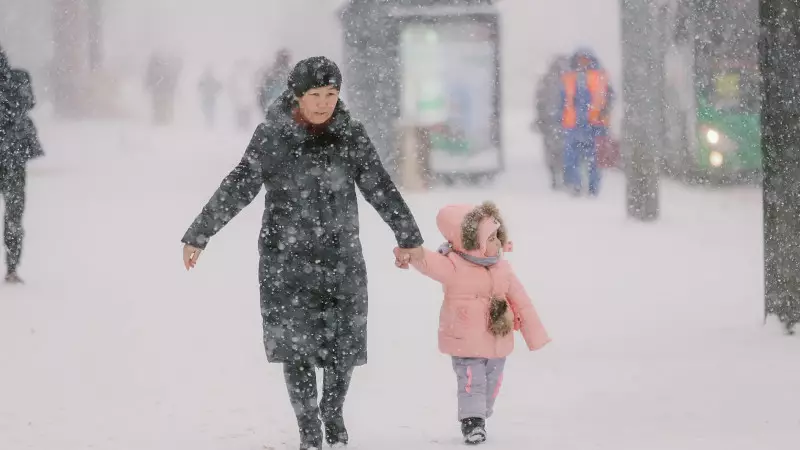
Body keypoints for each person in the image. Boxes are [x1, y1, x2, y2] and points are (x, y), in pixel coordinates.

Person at [181, 56, 424, 450]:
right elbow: (240, 184)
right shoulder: (272, 137)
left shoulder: (351, 135)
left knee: (343, 349)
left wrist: (407, 235)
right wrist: (200, 233)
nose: (324, 103)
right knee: (297, 351)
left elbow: (378, 184)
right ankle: (309, 429)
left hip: (341, 258)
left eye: (331, 94)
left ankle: (332, 410)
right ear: (296, 95)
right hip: (285, 262)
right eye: (315, 95)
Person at [394, 201, 550, 445]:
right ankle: (473, 422)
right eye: (491, 239)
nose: (498, 243)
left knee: (491, 383)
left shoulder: (502, 268)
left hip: (498, 339)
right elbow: (429, 262)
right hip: (465, 339)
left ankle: (480, 413)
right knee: (471, 381)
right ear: (473, 243)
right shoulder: (453, 265)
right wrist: (411, 254)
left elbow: (522, 302)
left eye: (498, 238)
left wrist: (535, 335)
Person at [0, 49, 44, 284]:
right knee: (14, 216)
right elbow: (27, 104)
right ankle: (12, 267)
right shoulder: (19, 79)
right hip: (13, 158)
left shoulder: (17, 80)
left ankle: (13, 266)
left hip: (12, 157)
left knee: (14, 216)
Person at [560, 48, 614, 196]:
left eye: (586, 60)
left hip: (596, 125)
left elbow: (609, 97)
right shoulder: (568, 78)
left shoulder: (601, 77)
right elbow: (562, 100)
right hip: (573, 125)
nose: (583, 63)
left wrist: (603, 112)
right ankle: (576, 185)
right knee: (572, 158)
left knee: (594, 160)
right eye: (580, 60)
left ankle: (593, 188)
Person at [534, 55, 570, 189]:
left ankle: (556, 176)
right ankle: (561, 177)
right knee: (562, 151)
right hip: (562, 122)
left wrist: (541, 118)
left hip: (551, 122)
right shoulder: (569, 80)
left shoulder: (545, 81)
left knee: (552, 151)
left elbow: (539, 102)